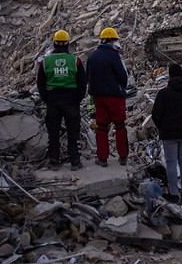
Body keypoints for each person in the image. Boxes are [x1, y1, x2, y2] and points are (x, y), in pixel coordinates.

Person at [37, 29, 87, 171]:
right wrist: (78, 97)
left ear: (54, 44)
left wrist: (46, 98)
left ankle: (54, 161)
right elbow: (83, 81)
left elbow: (40, 83)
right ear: (67, 44)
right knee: (73, 131)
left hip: (53, 99)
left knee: (53, 132)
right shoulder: (75, 60)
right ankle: (75, 161)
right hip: (71, 99)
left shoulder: (45, 62)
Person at [152, 63, 182, 204]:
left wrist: (162, 127)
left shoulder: (163, 93)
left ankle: (174, 194)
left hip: (168, 134)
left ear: (169, 75)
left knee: (171, 162)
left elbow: (156, 115)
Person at [86, 27, 129, 167]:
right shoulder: (113, 56)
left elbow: (88, 77)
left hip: (99, 97)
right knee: (120, 125)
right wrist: (122, 86)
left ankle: (102, 158)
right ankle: (123, 156)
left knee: (102, 126)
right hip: (115, 96)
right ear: (111, 41)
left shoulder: (92, 56)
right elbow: (123, 76)